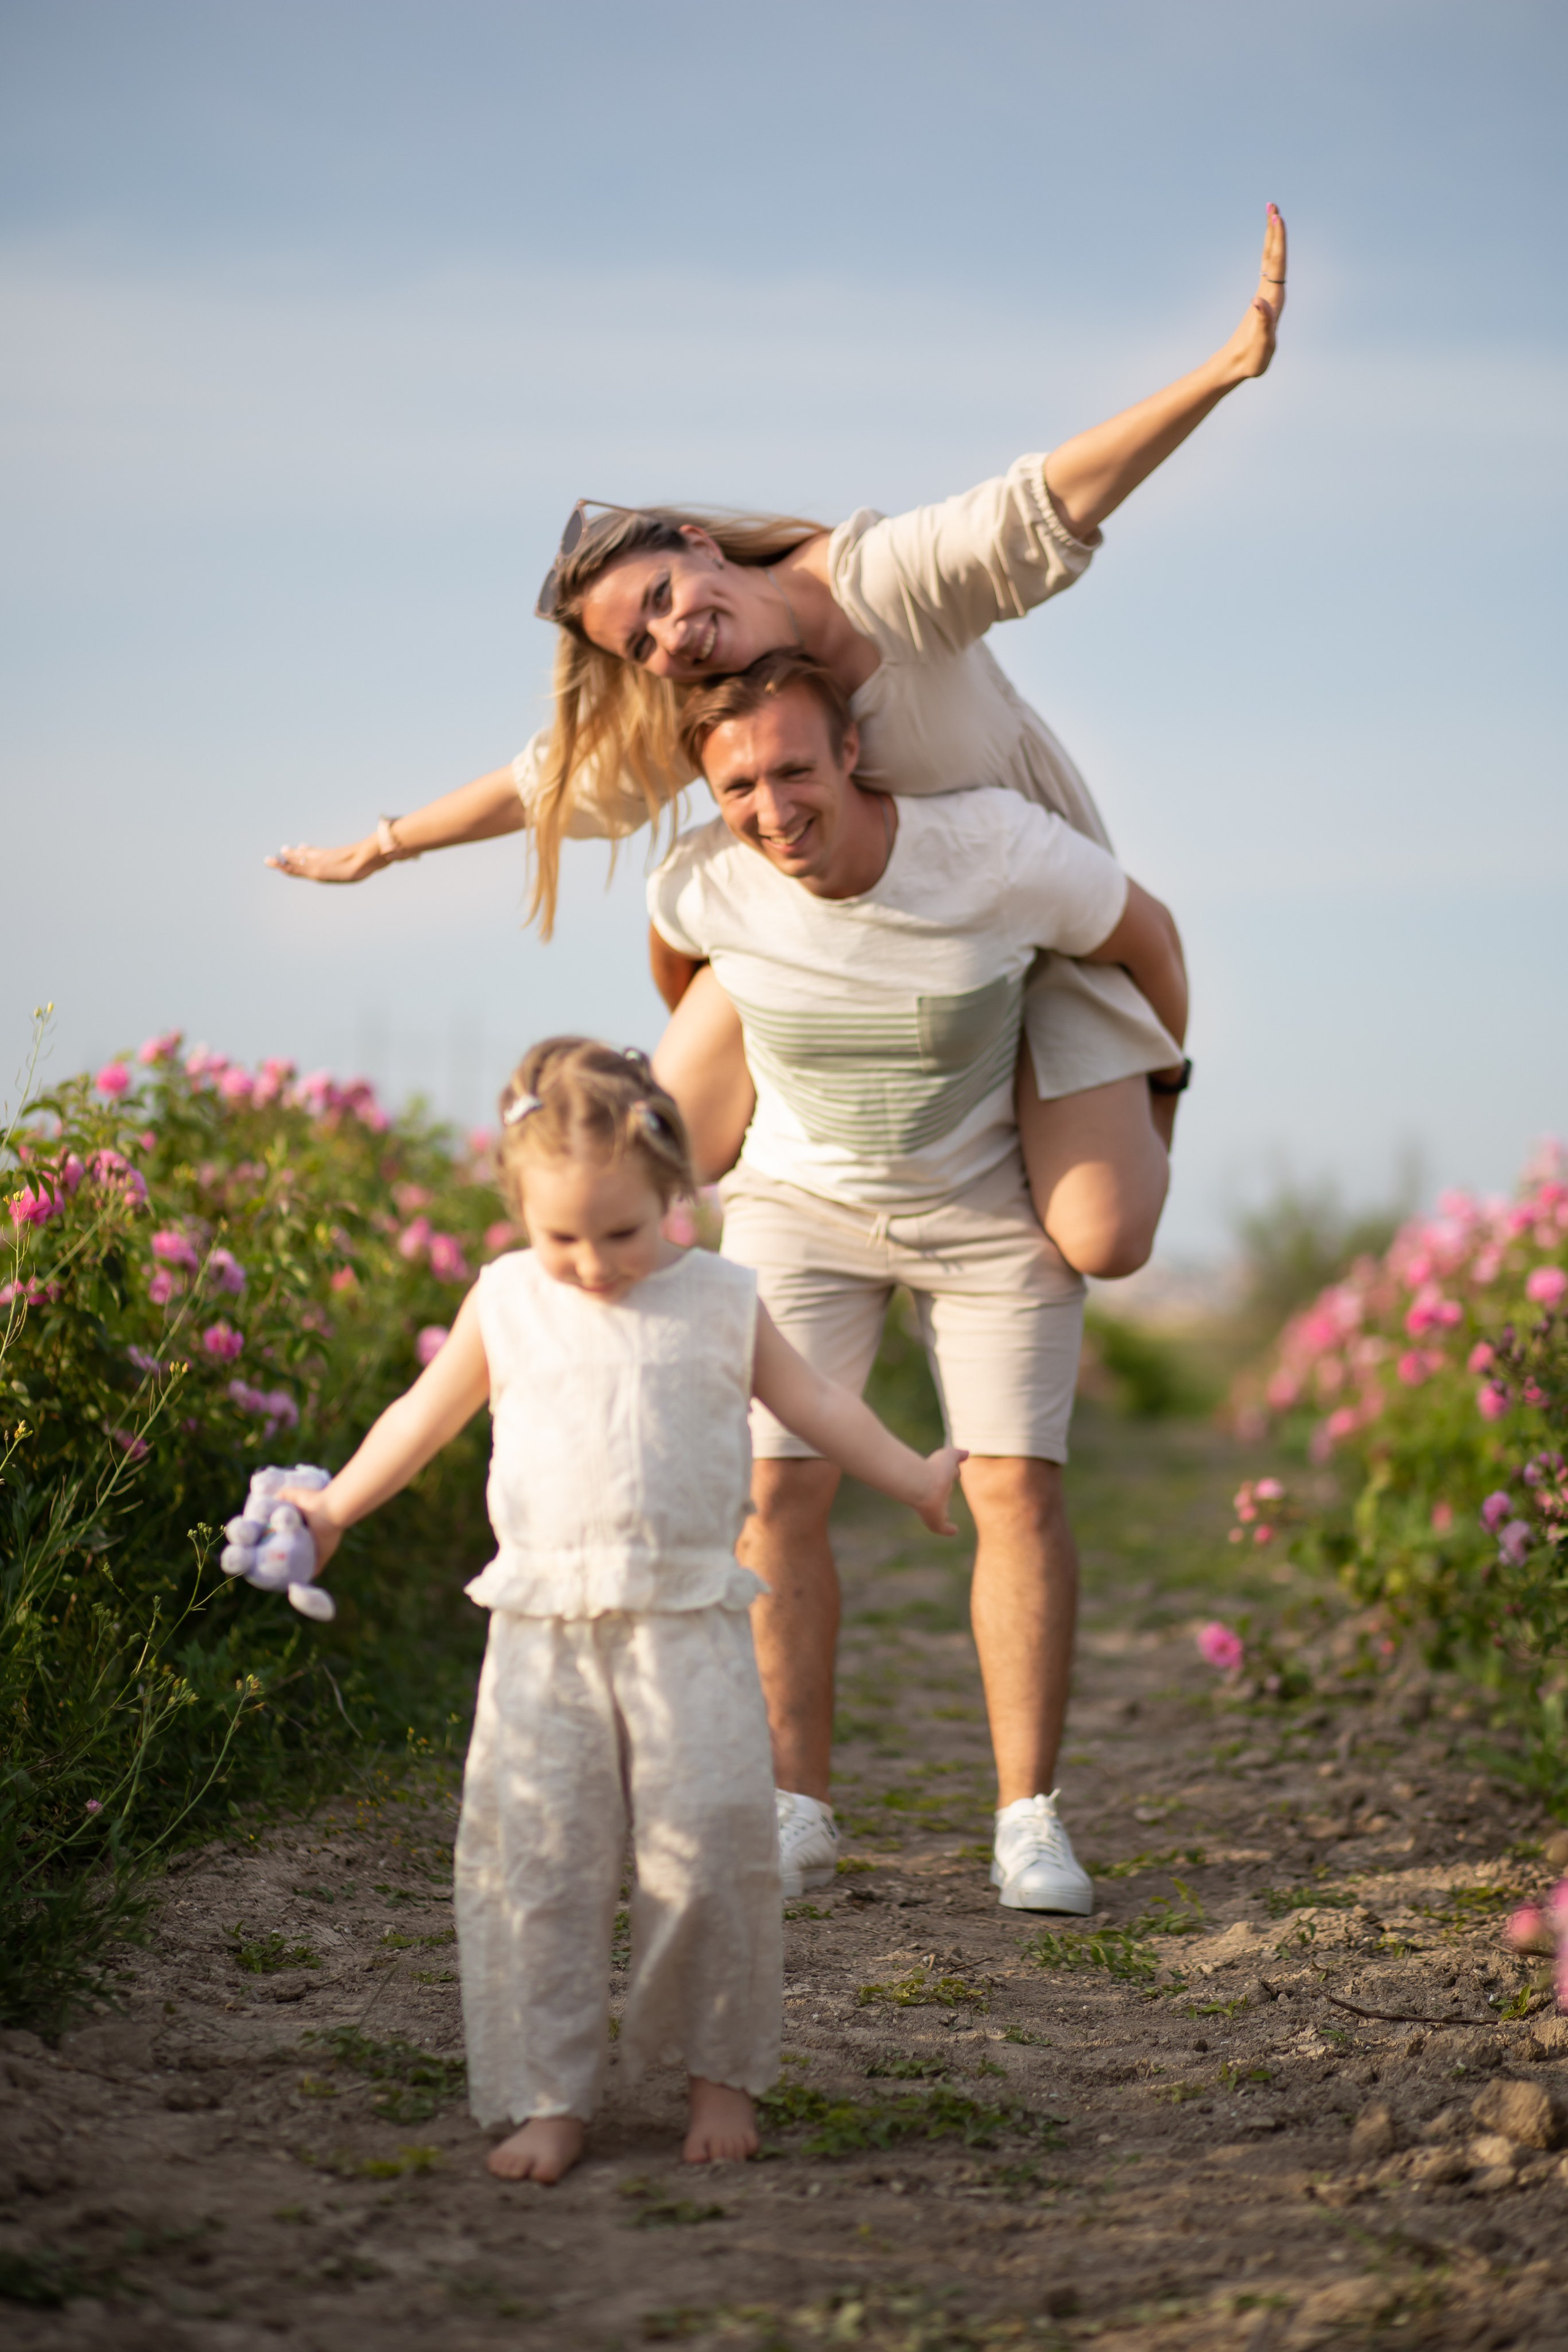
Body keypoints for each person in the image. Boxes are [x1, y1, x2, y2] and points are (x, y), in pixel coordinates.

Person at [269, 211, 1286, 1279]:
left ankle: (1041, 1135)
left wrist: (1223, 370)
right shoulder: (702, 697)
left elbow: (1042, 504)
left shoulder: (884, 582)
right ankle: (800, 1166)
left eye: (664, 595)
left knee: (1105, 1242)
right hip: (851, 933)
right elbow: (548, 787)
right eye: (641, 641)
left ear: (699, 544)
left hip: (1023, 913)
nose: (672, 636)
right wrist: (383, 846)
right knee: (683, 1152)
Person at [268, 1038, 963, 2185]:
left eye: (622, 1234)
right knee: (540, 1853)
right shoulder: (504, 1298)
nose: (590, 1264)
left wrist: (915, 1475)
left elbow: (819, 1404)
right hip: (542, 1621)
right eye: (562, 1238)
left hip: (687, 1619)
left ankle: (719, 2073)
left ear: (675, 1195)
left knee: (710, 1850)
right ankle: (550, 2092)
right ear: (520, 1213)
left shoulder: (723, 1300)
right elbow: (420, 1414)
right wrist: (335, 1505)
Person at [646, 650, 1186, 1909]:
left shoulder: (993, 849)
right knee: (776, 1498)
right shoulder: (703, 879)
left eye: (793, 768)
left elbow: (1147, 939)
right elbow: (684, 971)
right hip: (796, 1204)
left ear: (850, 751)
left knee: (1013, 1490)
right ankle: (793, 1810)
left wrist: (1153, 1098)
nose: (770, 806)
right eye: (737, 785)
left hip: (986, 1202)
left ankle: (1027, 1821)